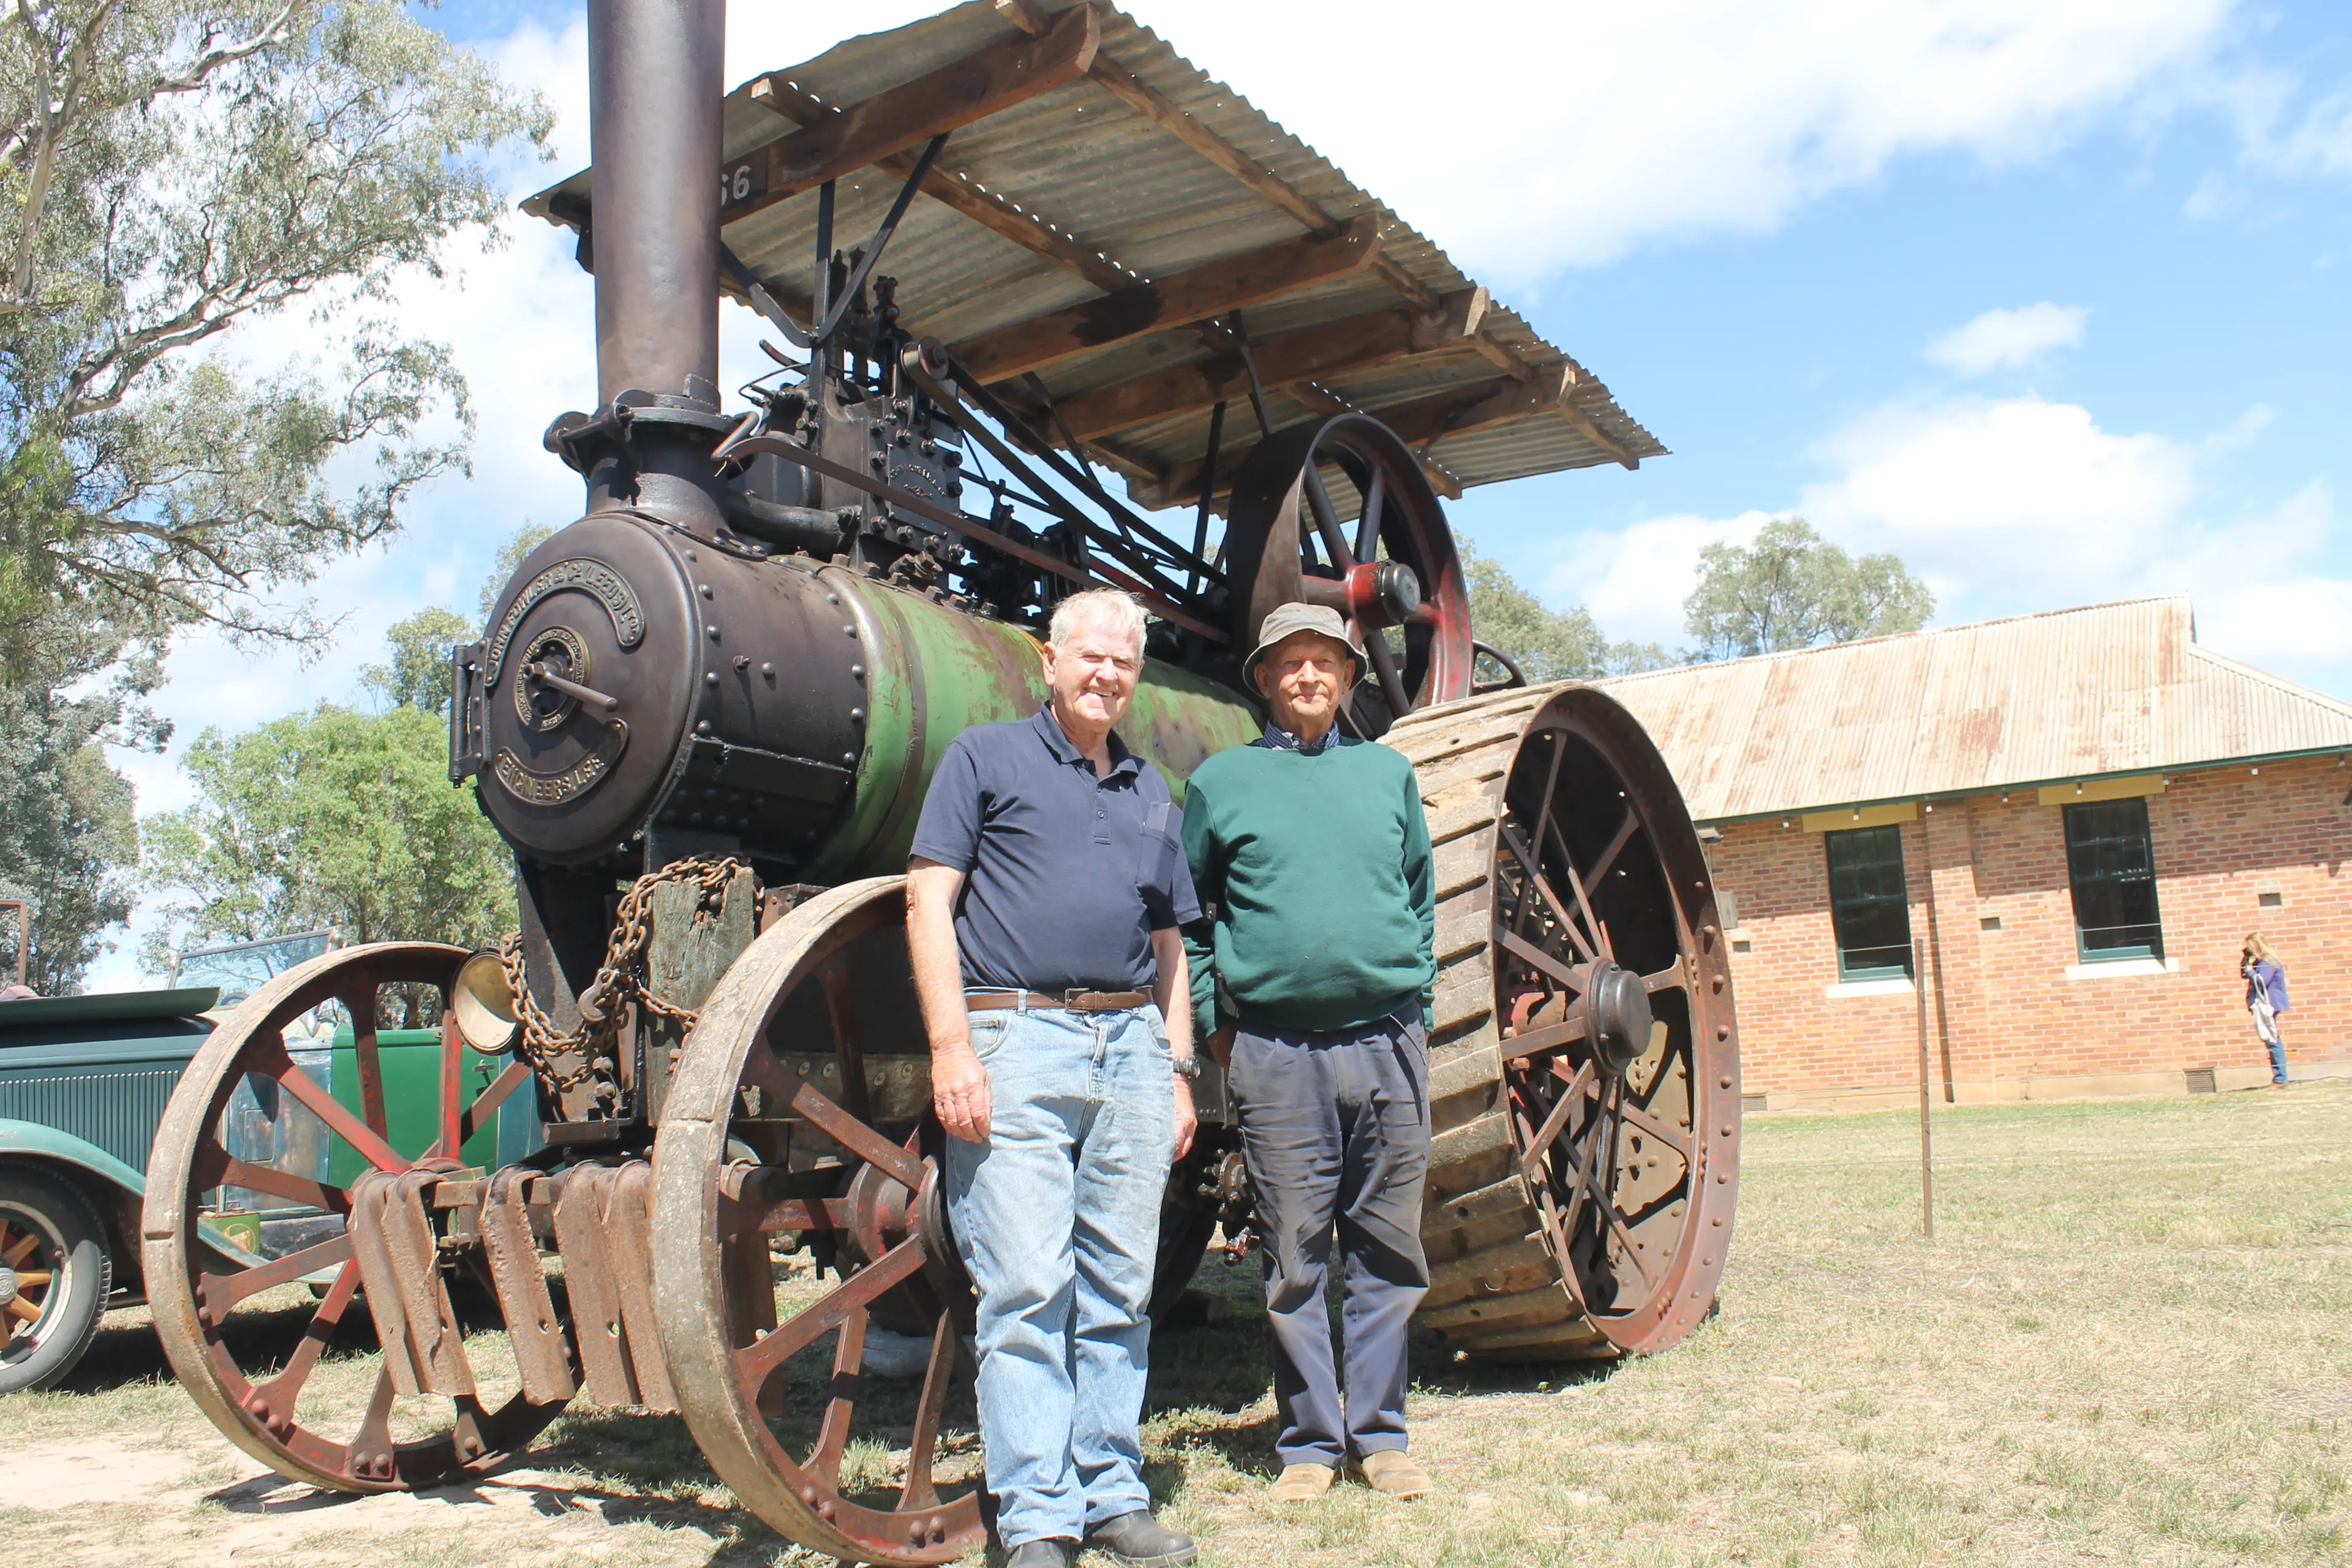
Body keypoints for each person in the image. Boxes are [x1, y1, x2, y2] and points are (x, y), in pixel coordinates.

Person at [905, 587, 1201, 1568]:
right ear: (1050, 659)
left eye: (1124, 662)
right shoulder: (983, 759)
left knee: (1121, 1284)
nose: (1107, 674)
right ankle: (1038, 1519)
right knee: (1028, 1286)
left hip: (1129, 1053)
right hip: (1017, 1038)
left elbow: (1169, 949)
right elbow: (928, 903)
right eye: (1091, 657)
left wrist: (1180, 1072)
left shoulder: (1152, 791)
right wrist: (952, 1047)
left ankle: (1113, 1494)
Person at [1180, 602, 1437, 1504]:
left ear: (1349, 677)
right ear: (1264, 680)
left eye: (1325, 662)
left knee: (1387, 1247)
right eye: (1290, 663)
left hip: (1387, 1041)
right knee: (1294, 1255)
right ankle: (1308, 1447)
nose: (1308, 677)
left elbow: (1420, 899)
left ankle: (1382, 1437)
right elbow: (1193, 915)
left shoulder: (1388, 775)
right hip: (1276, 1051)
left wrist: (1419, 1007)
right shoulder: (1221, 783)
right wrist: (1219, 1024)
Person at [2242, 933, 2291, 1087]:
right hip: (2265, 1004)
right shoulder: (2260, 961)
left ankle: (2280, 1078)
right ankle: (2280, 1077)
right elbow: (2245, 975)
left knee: (2272, 1039)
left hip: (2269, 1005)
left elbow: (2261, 981)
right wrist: (2246, 961)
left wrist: (2251, 970)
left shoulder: (2268, 962)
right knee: (2272, 1039)